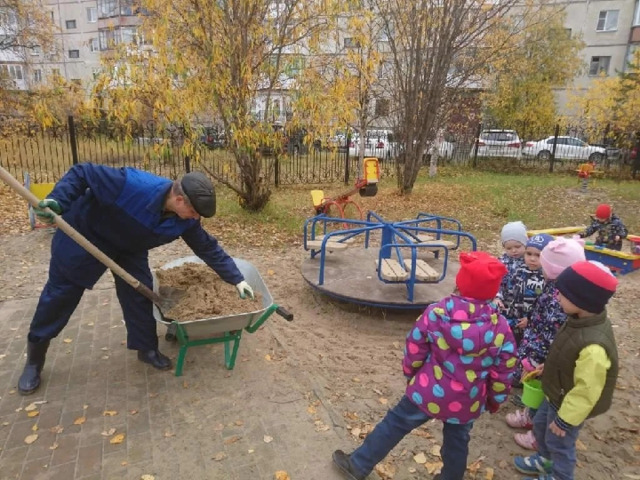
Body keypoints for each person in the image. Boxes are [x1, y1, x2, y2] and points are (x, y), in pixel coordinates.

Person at [18, 163, 255, 395]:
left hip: (129, 249)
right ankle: (34, 360)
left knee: (140, 294)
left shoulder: (185, 220)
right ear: (180, 200)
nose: (194, 219)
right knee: (59, 297)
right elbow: (83, 173)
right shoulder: (130, 184)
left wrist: (237, 279)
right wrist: (59, 200)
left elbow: (207, 247)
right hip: (83, 237)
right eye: (193, 212)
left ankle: (146, 349)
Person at [332, 251, 517, 480]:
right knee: (457, 442)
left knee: (396, 423)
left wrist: (411, 372)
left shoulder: (436, 313)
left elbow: (415, 346)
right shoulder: (500, 327)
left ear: (460, 283)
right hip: (467, 400)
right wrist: (494, 399)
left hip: (428, 389)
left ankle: (358, 464)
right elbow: (504, 369)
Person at [513, 261, 618, 480]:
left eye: (562, 294)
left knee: (560, 443)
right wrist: (548, 366)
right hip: (556, 392)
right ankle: (544, 459)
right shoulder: (577, 320)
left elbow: (587, 390)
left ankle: (560, 476)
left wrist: (566, 420)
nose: (557, 297)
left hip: (569, 406)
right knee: (541, 426)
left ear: (581, 300)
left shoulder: (594, 346)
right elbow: (565, 352)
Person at [505, 238, 585, 451]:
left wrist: (535, 355)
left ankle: (536, 433)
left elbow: (553, 331)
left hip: (545, 355)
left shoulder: (562, 297)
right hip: (536, 345)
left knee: (545, 390)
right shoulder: (554, 285)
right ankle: (530, 415)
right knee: (537, 387)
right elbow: (540, 315)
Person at [502, 233, 553, 351]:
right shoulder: (519, 270)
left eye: (538, 255)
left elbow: (544, 306)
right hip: (512, 320)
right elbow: (510, 292)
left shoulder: (546, 278)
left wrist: (530, 319)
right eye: (528, 253)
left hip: (530, 327)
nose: (532, 259)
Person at [495, 221, 528, 314]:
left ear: (525, 242)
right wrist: (497, 297)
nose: (514, 250)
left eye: (518, 246)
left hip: (523, 305)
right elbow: (498, 282)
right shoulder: (502, 262)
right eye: (509, 248)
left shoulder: (530, 261)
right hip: (504, 302)